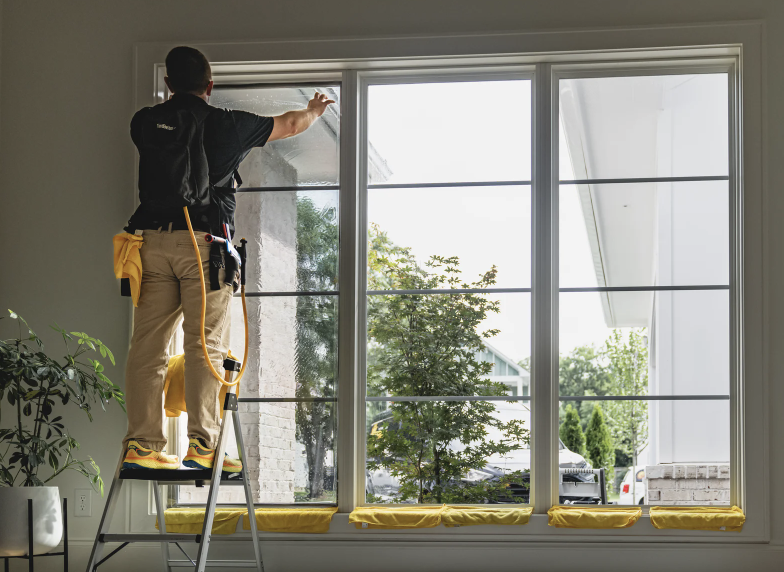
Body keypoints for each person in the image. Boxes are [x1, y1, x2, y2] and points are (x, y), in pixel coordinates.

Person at [121, 46, 334, 471]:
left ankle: (142, 446)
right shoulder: (227, 124)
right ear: (210, 85)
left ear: (168, 85)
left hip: (149, 244)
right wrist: (314, 109)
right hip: (205, 248)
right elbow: (291, 125)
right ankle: (203, 445)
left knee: (147, 348)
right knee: (205, 345)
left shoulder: (144, 122)